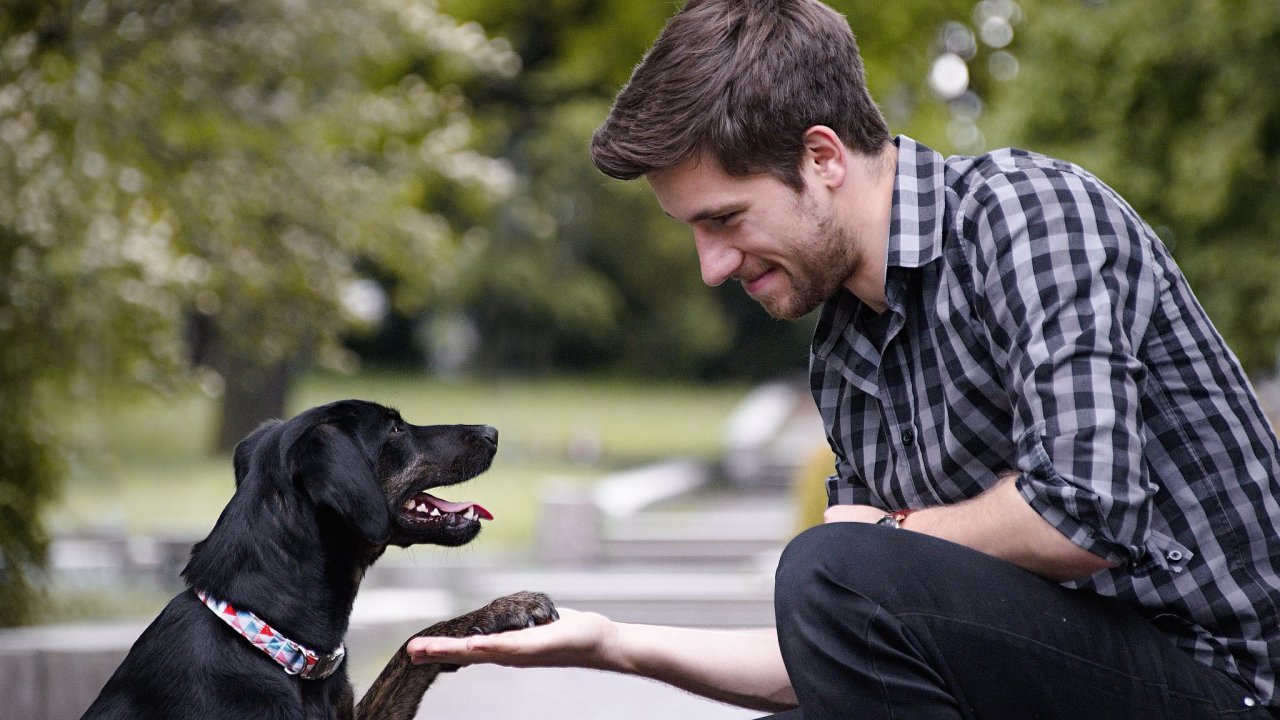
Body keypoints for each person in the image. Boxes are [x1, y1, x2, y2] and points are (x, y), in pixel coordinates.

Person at [407, 0, 1280, 717]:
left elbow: (1086, 511)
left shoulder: (1027, 213)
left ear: (822, 157)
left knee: (830, 562)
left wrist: (891, 537)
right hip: (1069, 685)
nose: (712, 268)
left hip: (1227, 687)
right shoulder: (848, 354)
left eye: (724, 220)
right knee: (829, 574)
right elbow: (839, 645)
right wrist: (611, 642)